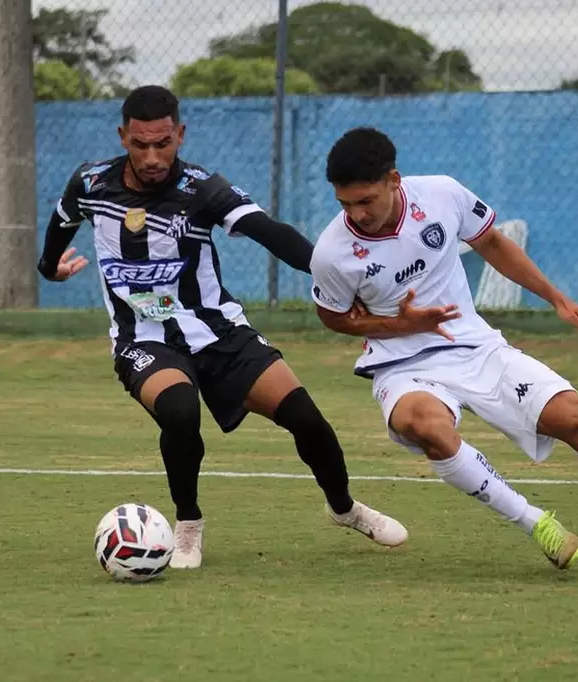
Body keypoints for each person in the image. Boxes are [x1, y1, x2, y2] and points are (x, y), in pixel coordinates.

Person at [37, 87, 407, 570]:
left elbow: (270, 232)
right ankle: (187, 525)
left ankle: (344, 508)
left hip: (218, 333)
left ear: (180, 135)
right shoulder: (90, 183)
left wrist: (336, 278)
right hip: (143, 338)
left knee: (307, 420)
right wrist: (50, 268)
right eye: (141, 144)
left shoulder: (202, 188)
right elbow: (62, 222)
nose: (152, 156)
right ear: (123, 136)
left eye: (163, 143)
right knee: (179, 408)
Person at [309, 126, 578, 572]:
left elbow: (491, 241)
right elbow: (332, 316)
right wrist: (398, 324)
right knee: (427, 427)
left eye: (365, 201)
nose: (356, 214)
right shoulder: (333, 252)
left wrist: (557, 299)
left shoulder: (441, 194)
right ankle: (537, 524)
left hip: (476, 346)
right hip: (401, 365)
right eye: (345, 204)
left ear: (394, 180)